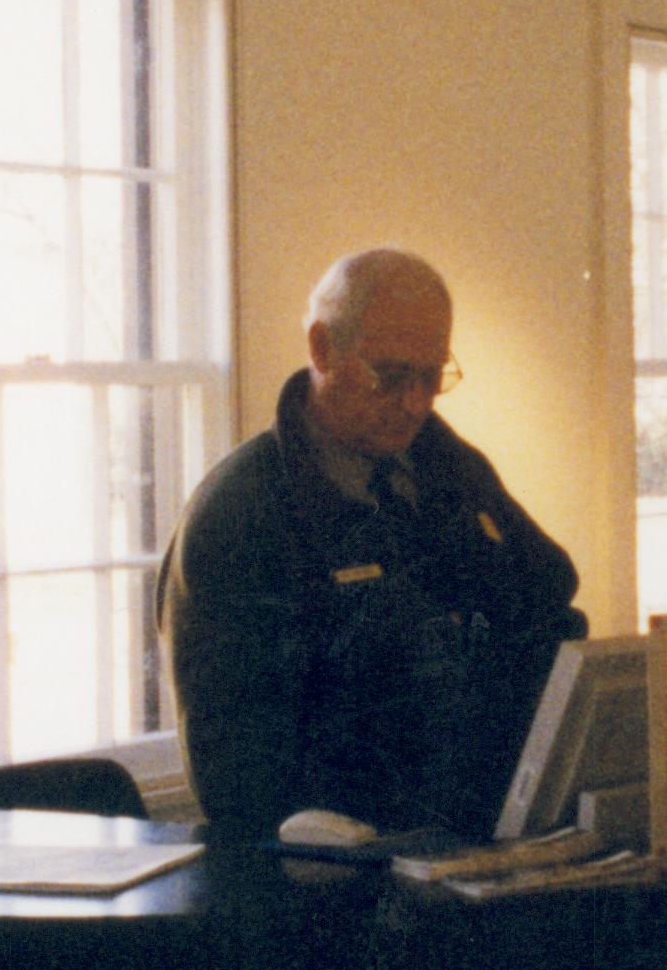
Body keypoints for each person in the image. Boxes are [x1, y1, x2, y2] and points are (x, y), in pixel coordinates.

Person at [158, 247, 582, 841]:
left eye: (431, 377)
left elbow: (550, 597)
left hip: (479, 846)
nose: (414, 403)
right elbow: (240, 777)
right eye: (391, 375)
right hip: (339, 880)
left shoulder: (448, 469)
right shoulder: (240, 513)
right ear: (322, 349)